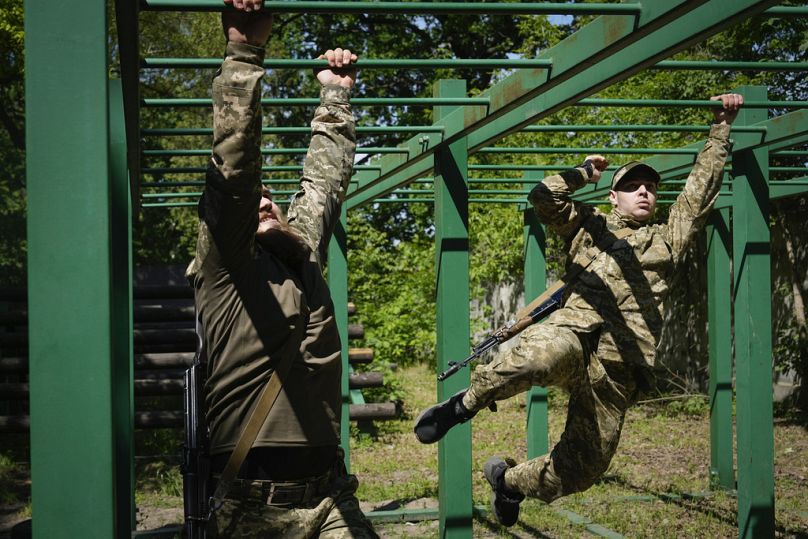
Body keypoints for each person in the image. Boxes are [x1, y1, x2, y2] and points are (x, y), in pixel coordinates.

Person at [414, 93, 744, 526]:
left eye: (649, 188)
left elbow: (699, 194)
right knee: (540, 355)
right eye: (631, 186)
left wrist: (721, 129)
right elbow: (543, 196)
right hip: (575, 334)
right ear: (613, 197)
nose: (643, 191)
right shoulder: (590, 226)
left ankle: (509, 483)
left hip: (620, 367)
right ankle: (464, 405)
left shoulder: (669, 239)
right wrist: (582, 172)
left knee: (582, 470)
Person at [185, 1, 378, 536]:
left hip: (330, 493)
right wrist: (244, 52)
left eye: (274, 201)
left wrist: (335, 90)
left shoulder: (301, 250)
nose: (266, 204)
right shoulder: (227, 269)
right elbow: (234, 166)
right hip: (253, 506)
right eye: (257, 202)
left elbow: (324, 179)